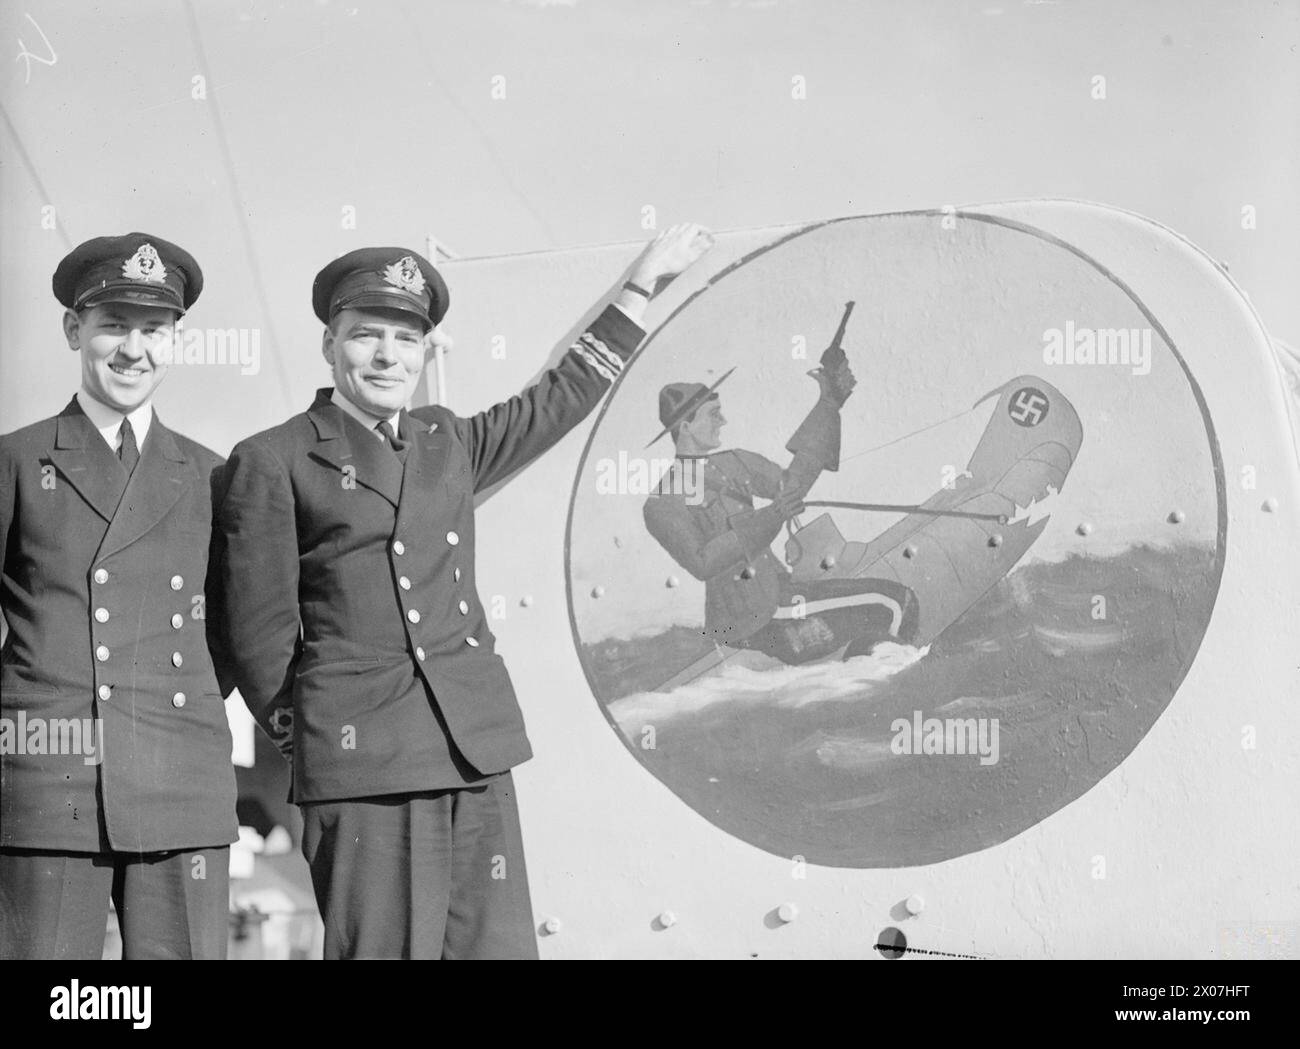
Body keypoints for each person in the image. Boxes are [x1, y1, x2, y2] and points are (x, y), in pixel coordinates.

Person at [213, 223, 714, 959]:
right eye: (366, 335)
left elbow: (558, 399)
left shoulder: (444, 440)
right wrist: (320, 737)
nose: (388, 356)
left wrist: (640, 283)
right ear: (330, 343)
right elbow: (255, 633)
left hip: (474, 753)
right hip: (365, 769)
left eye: (406, 340)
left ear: (424, 353)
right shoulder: (273, 459)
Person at [0, 233, 238, 959]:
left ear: (177, 342)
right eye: (112, 325)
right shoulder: (17, 460)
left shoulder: (209, 474)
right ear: (75, 330)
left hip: (180, 781)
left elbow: (233, 634)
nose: (133, 349)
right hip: (51, 779)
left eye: (154, 330)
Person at [643, 355, 918, 664]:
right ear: (686, 427)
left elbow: (793, 486)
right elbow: (702, 563)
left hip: (779, 598)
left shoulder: (734, 462)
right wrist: (771, 516)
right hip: (757, 617)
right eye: (713, 415)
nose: (723, 421)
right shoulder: (662, 503)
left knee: (887, 610)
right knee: (895, 603)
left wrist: (828, 404)